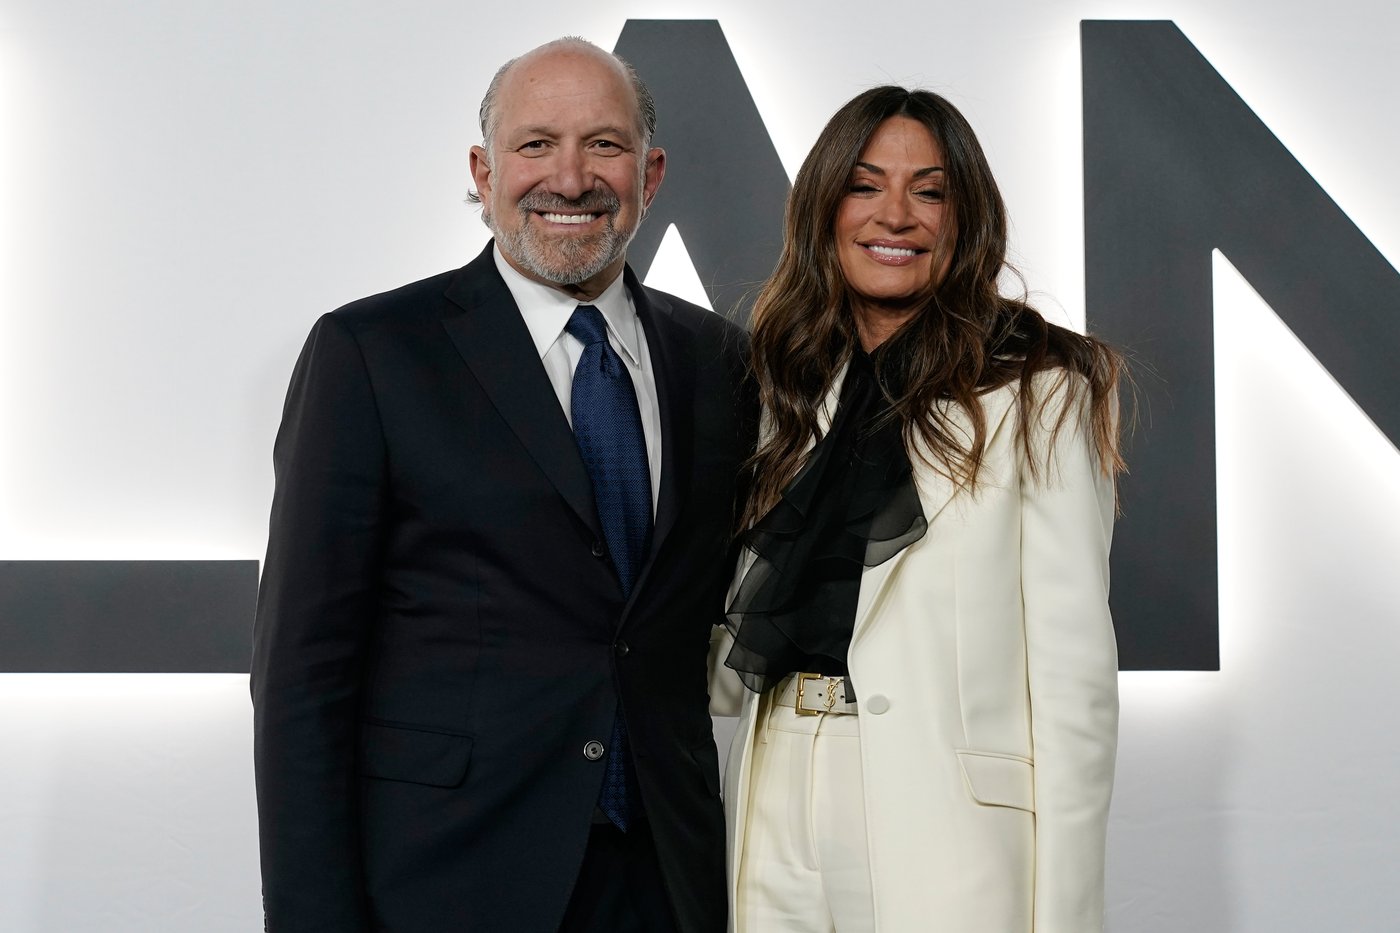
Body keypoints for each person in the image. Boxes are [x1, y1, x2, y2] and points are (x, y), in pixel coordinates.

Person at [251, 37, 755, 933]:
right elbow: (303, 671)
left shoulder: (719, 360)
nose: (570, 178)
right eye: (535, 145)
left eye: (604, 144)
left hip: (667, 881)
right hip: (447, 879)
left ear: (653, 171)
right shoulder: (373, 354)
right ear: (483, 172)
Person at [711, 86, 1124, 932]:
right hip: (773, 784)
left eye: (929, 192)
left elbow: (1074, 686)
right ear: (824, 208)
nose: (895, 216)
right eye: (865, 186)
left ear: (964, 219)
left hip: (945, 815)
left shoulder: (1041, 388)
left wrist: (1070, 916)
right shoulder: (783, 385)